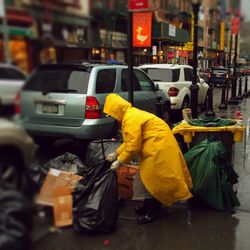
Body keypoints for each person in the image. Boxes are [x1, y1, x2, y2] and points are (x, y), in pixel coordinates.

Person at [104, 94, 193, 224]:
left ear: (116, 110)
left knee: (154, 179)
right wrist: (116, 153)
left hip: (158, 147)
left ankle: (154, 211)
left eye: (112, 114)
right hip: (156, 144)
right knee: (146, 178)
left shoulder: (130, 119)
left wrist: (119, 161)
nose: (113, 117)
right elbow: (130, 140)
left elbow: (134, 146)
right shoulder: (129, 115)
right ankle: (147, 206)